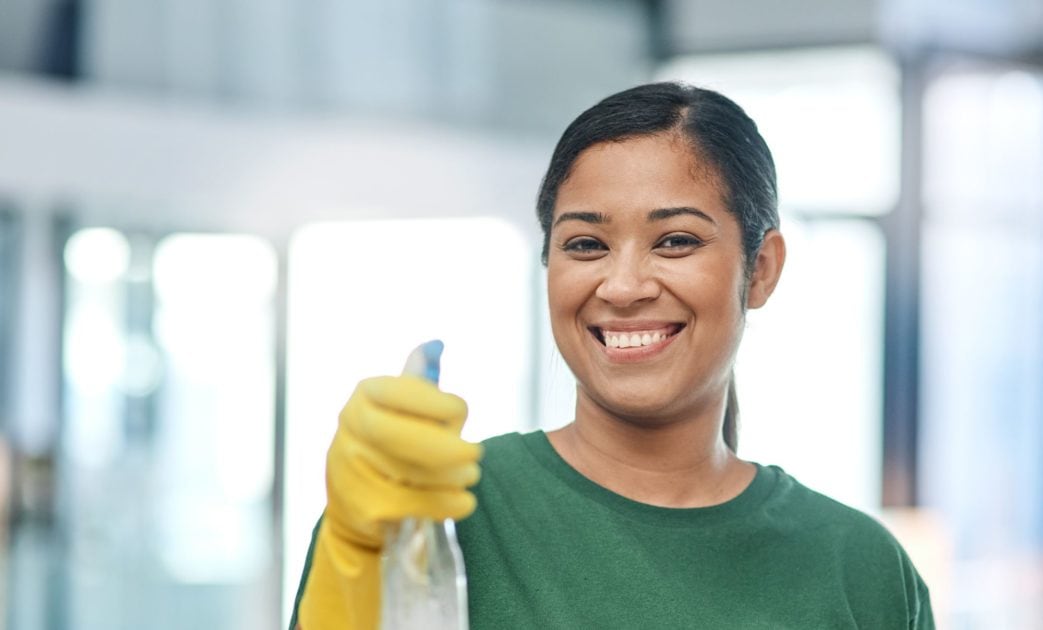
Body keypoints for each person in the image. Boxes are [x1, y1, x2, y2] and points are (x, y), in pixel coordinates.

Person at [290, 82, 934, 629]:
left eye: (676, 240)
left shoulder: (861, 568)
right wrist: (356, 550)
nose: (623, 287)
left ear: (760, 269)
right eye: (586, 245)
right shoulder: (428, 519)